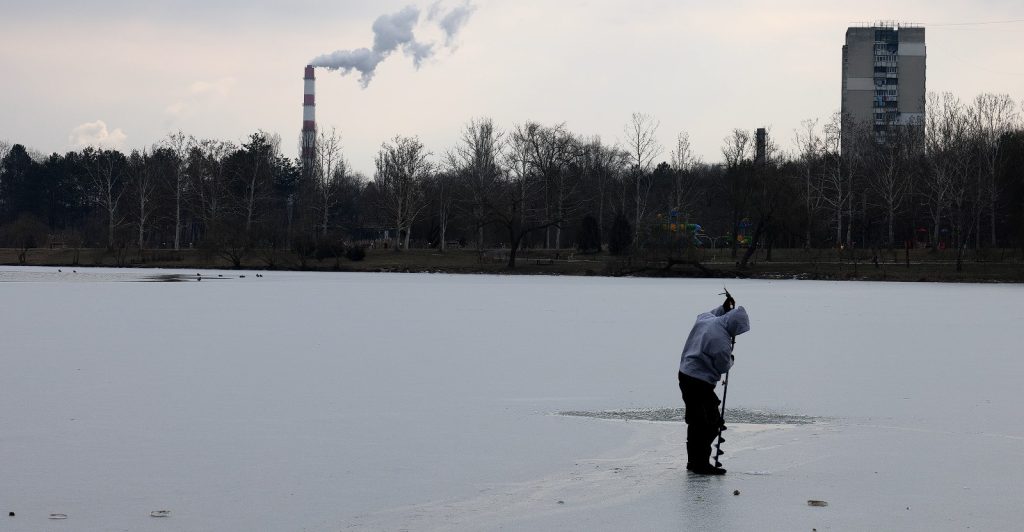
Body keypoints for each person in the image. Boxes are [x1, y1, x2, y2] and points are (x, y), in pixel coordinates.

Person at [678, 294, 750, 475]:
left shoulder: (707, 320)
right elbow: (724, 365)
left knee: (696, 420)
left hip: (685, 374)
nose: (736, 334)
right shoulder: (721, 340)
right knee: (708, 423)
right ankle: (700, 464)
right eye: (737, 331)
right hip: (699, 381)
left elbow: (708, 313)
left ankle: (693, 461)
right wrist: (731, 359)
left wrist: (723, 308)